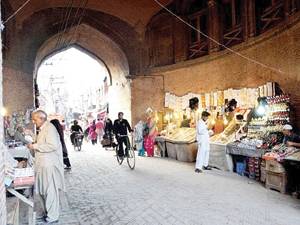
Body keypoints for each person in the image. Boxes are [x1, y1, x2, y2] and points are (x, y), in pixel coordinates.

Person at [27, 110, 65, 224]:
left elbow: (52, 145)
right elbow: (42, 142)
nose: (33, 122)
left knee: (50, 191)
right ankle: (47, 213)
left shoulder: (50, 128)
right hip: (42, 165)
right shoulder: (43, 129)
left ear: (41, 118)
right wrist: (32, 136)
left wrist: (34, 146)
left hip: (49, 165)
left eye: (35, 119)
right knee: (43, 191)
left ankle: (52, 216)